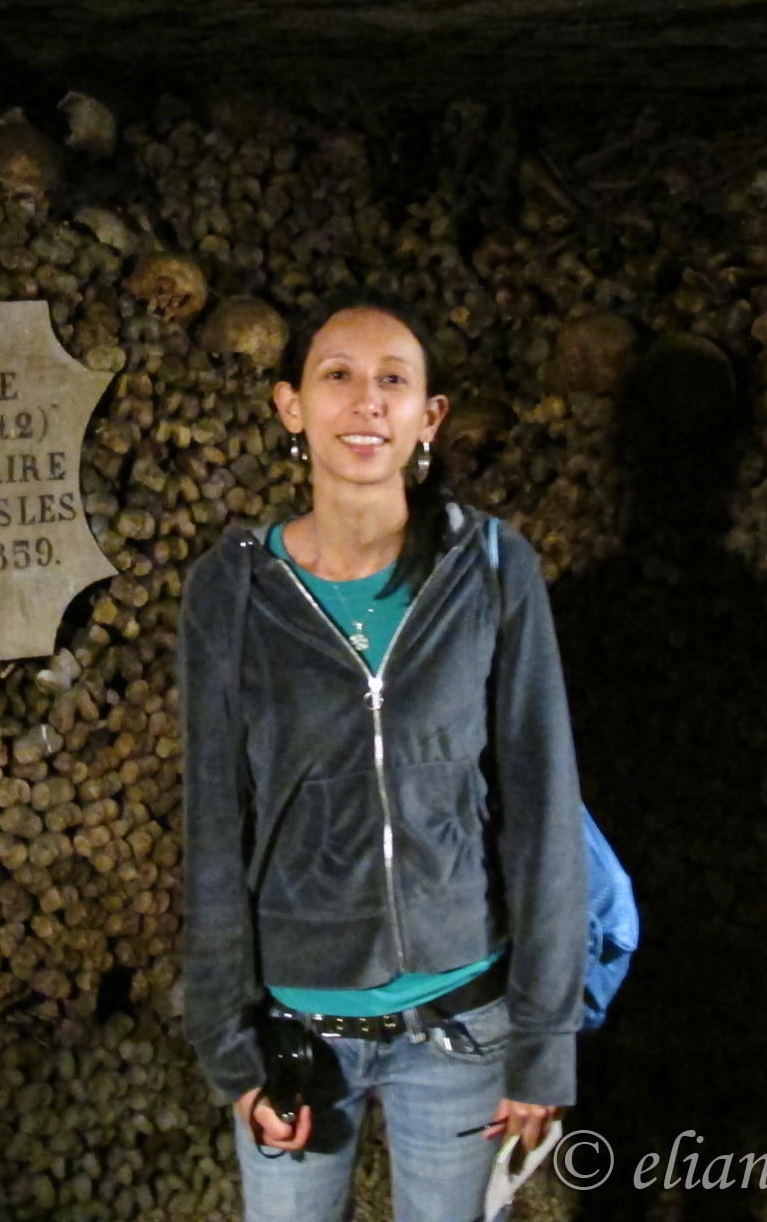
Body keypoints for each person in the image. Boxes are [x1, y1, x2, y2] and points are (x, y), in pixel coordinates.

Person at [179, 297, 587, 1222]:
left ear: (428, 416)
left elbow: (541, 801)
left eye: (393, 381)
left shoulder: (490, 567)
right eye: (338, 377)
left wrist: (545, 1040)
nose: (367, 403)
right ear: (291, 406)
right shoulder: (233, 589)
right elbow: (212, 823)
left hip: (463, 1029)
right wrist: (229, 1050)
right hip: (295, 1037)